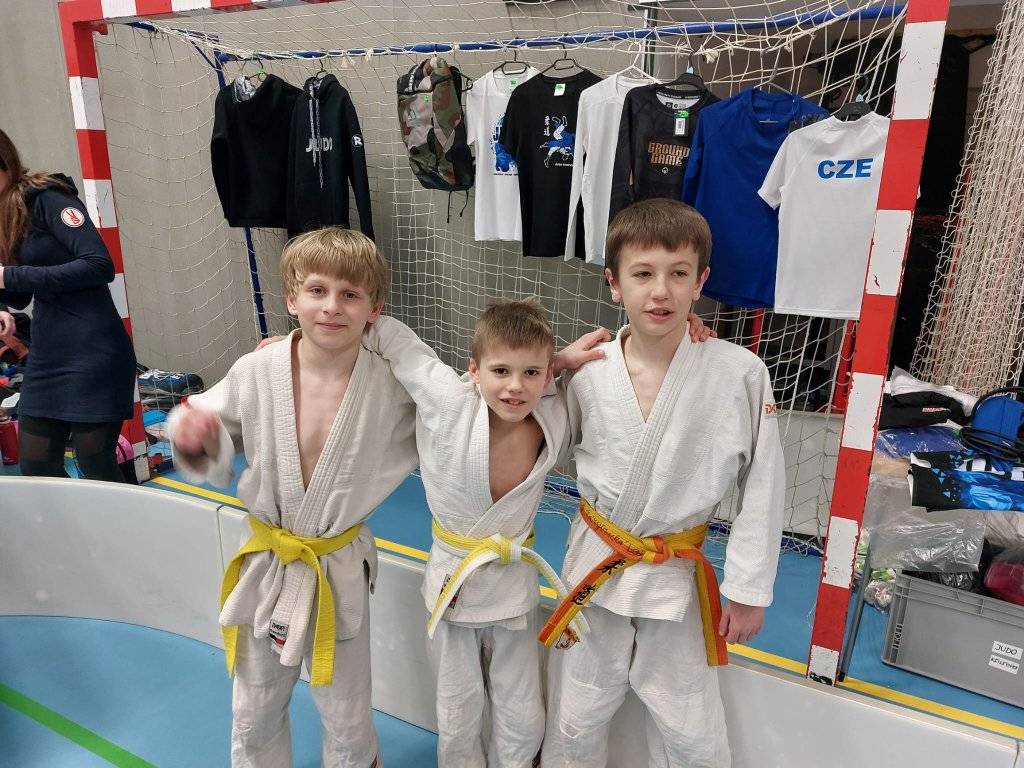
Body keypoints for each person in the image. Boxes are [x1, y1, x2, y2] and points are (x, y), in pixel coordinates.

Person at [358, 301, 710, 767]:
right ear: (474, 370)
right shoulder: (446, 399)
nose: (514, 386)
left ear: (546, 378)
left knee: (524, 716)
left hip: (513, 588)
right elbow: (393, 339)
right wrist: (302, 343)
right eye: (500, 371)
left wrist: (687, 327)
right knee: (458, 712)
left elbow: (636, 354)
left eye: (530, 373)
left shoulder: (552, 410)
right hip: (454, 586)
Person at [540, 198, 786, 767]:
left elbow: (763, 483)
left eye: (678, 274)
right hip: (597, 564)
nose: (661, 292)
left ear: (700, 281)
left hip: (677, 574)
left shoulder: (738, 372)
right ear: (613, 283)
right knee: (576, 715)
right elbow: (528, 433)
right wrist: (552, 366)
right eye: (643, 274)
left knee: (691, 727)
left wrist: (748, 590)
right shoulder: (588, 369)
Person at [168, 228, 417, 768]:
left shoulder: (392, 385)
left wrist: (548, 367)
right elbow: (209, 424)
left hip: (338, 566)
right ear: (290, 299)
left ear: (375, 309)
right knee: (254, 707)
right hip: (269, 563)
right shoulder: (257, 369)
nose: (332, 307)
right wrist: (192, 434)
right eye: (317, 290)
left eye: (350, 295)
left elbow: (466, 409)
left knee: (347, 712)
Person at [0, 128, 136, 481]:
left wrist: (9, 277)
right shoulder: (5, 215)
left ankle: (126, 520)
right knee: (38, 469)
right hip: (48, 355)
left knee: (96, 465)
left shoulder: (47, 197)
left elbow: (99, 265)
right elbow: (19, 295)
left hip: (93, 351)